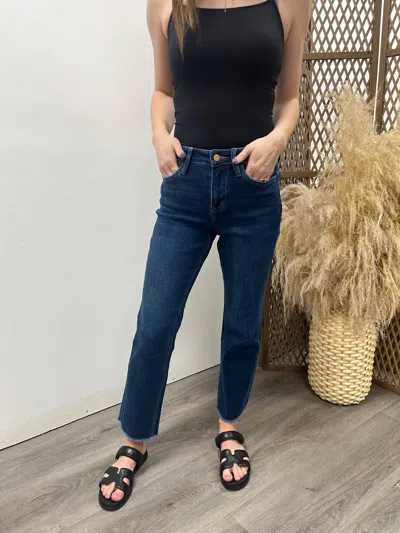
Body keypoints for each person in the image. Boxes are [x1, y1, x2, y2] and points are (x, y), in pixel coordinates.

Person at [98, 0, 311, 511]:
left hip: (254, 186)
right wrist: (158, 135)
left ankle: (229, 425)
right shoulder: (165, 4)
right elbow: (163, 92)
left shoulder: (289, 3)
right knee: (155, 322)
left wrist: (278, 140)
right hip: (186, 185)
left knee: (242, 323)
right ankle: (135, 438)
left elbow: (289, 98)